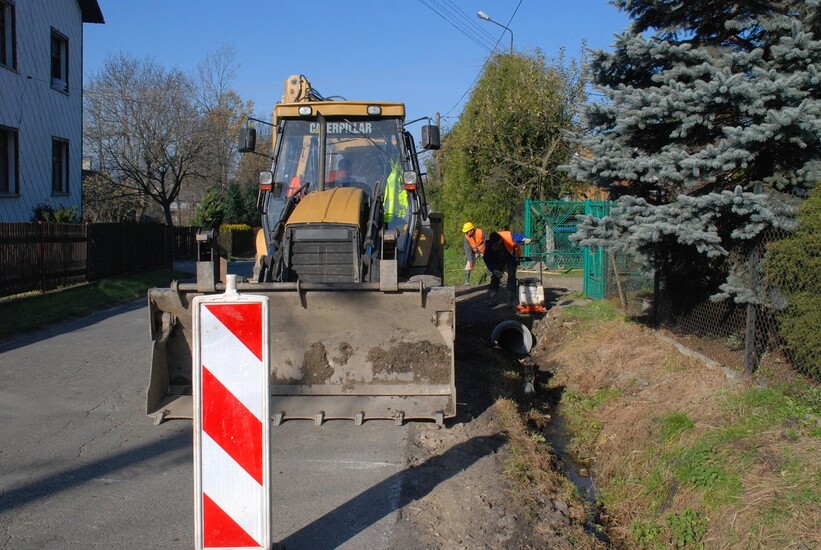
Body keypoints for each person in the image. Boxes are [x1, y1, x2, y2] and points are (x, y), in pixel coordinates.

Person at [482, 230, 531, 305]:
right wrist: (493, 269)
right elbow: (487, 259)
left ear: (500, 240)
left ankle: (511, 299)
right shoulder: (488, 244)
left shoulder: (507, 236)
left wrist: (524, 239)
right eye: (495, 246)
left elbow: (518, 237)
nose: (496, 247)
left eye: (498, 245)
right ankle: (492, 298)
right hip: (498, 259)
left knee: (511, 276)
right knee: (495, 277)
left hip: (511, 257)